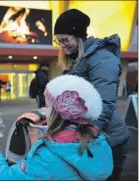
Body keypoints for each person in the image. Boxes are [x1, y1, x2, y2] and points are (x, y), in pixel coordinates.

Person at [0, 75, 113, 180]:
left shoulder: (44, 157)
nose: (43, 111)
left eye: (47, 106)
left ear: (58, 114)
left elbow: (4, 177)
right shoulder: (100, 143)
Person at [53, 9, 130, 180]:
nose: (62, 45)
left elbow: (104, 102)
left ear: (79, 35)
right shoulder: (77, 58)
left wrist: (89, 132)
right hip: (90, 137)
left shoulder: (101, 58)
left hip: (108, 140)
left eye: (65, 40)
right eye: (58, 41)